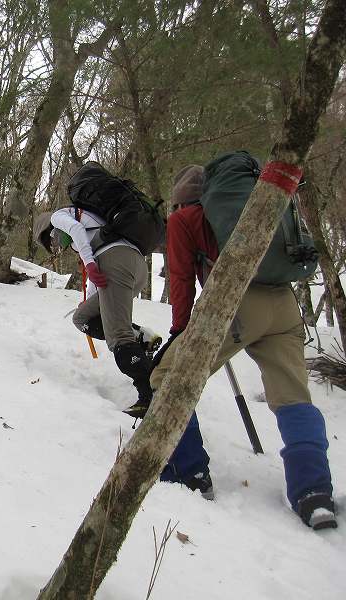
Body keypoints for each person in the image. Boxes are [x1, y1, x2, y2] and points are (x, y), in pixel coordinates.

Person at [149, 164, 336, 530]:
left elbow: (183, 279)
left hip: (237, 302)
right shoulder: (251, 208)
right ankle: (314, 492)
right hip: (283, 304)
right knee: (293, 396)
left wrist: (181, 330)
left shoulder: (184, 218)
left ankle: (188, 473)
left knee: (167, 375)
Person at [49, 206, 161, 408]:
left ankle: (151, 397)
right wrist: (90, 297)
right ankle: (140, 337)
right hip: (134, 265)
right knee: (82, 317)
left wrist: (89, 263)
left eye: (54, 238)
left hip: (116, 262)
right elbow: (98, 284)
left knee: (119, 338)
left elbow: (76, 230)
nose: (57, 243)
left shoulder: (58, 216)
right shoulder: (98, 217)